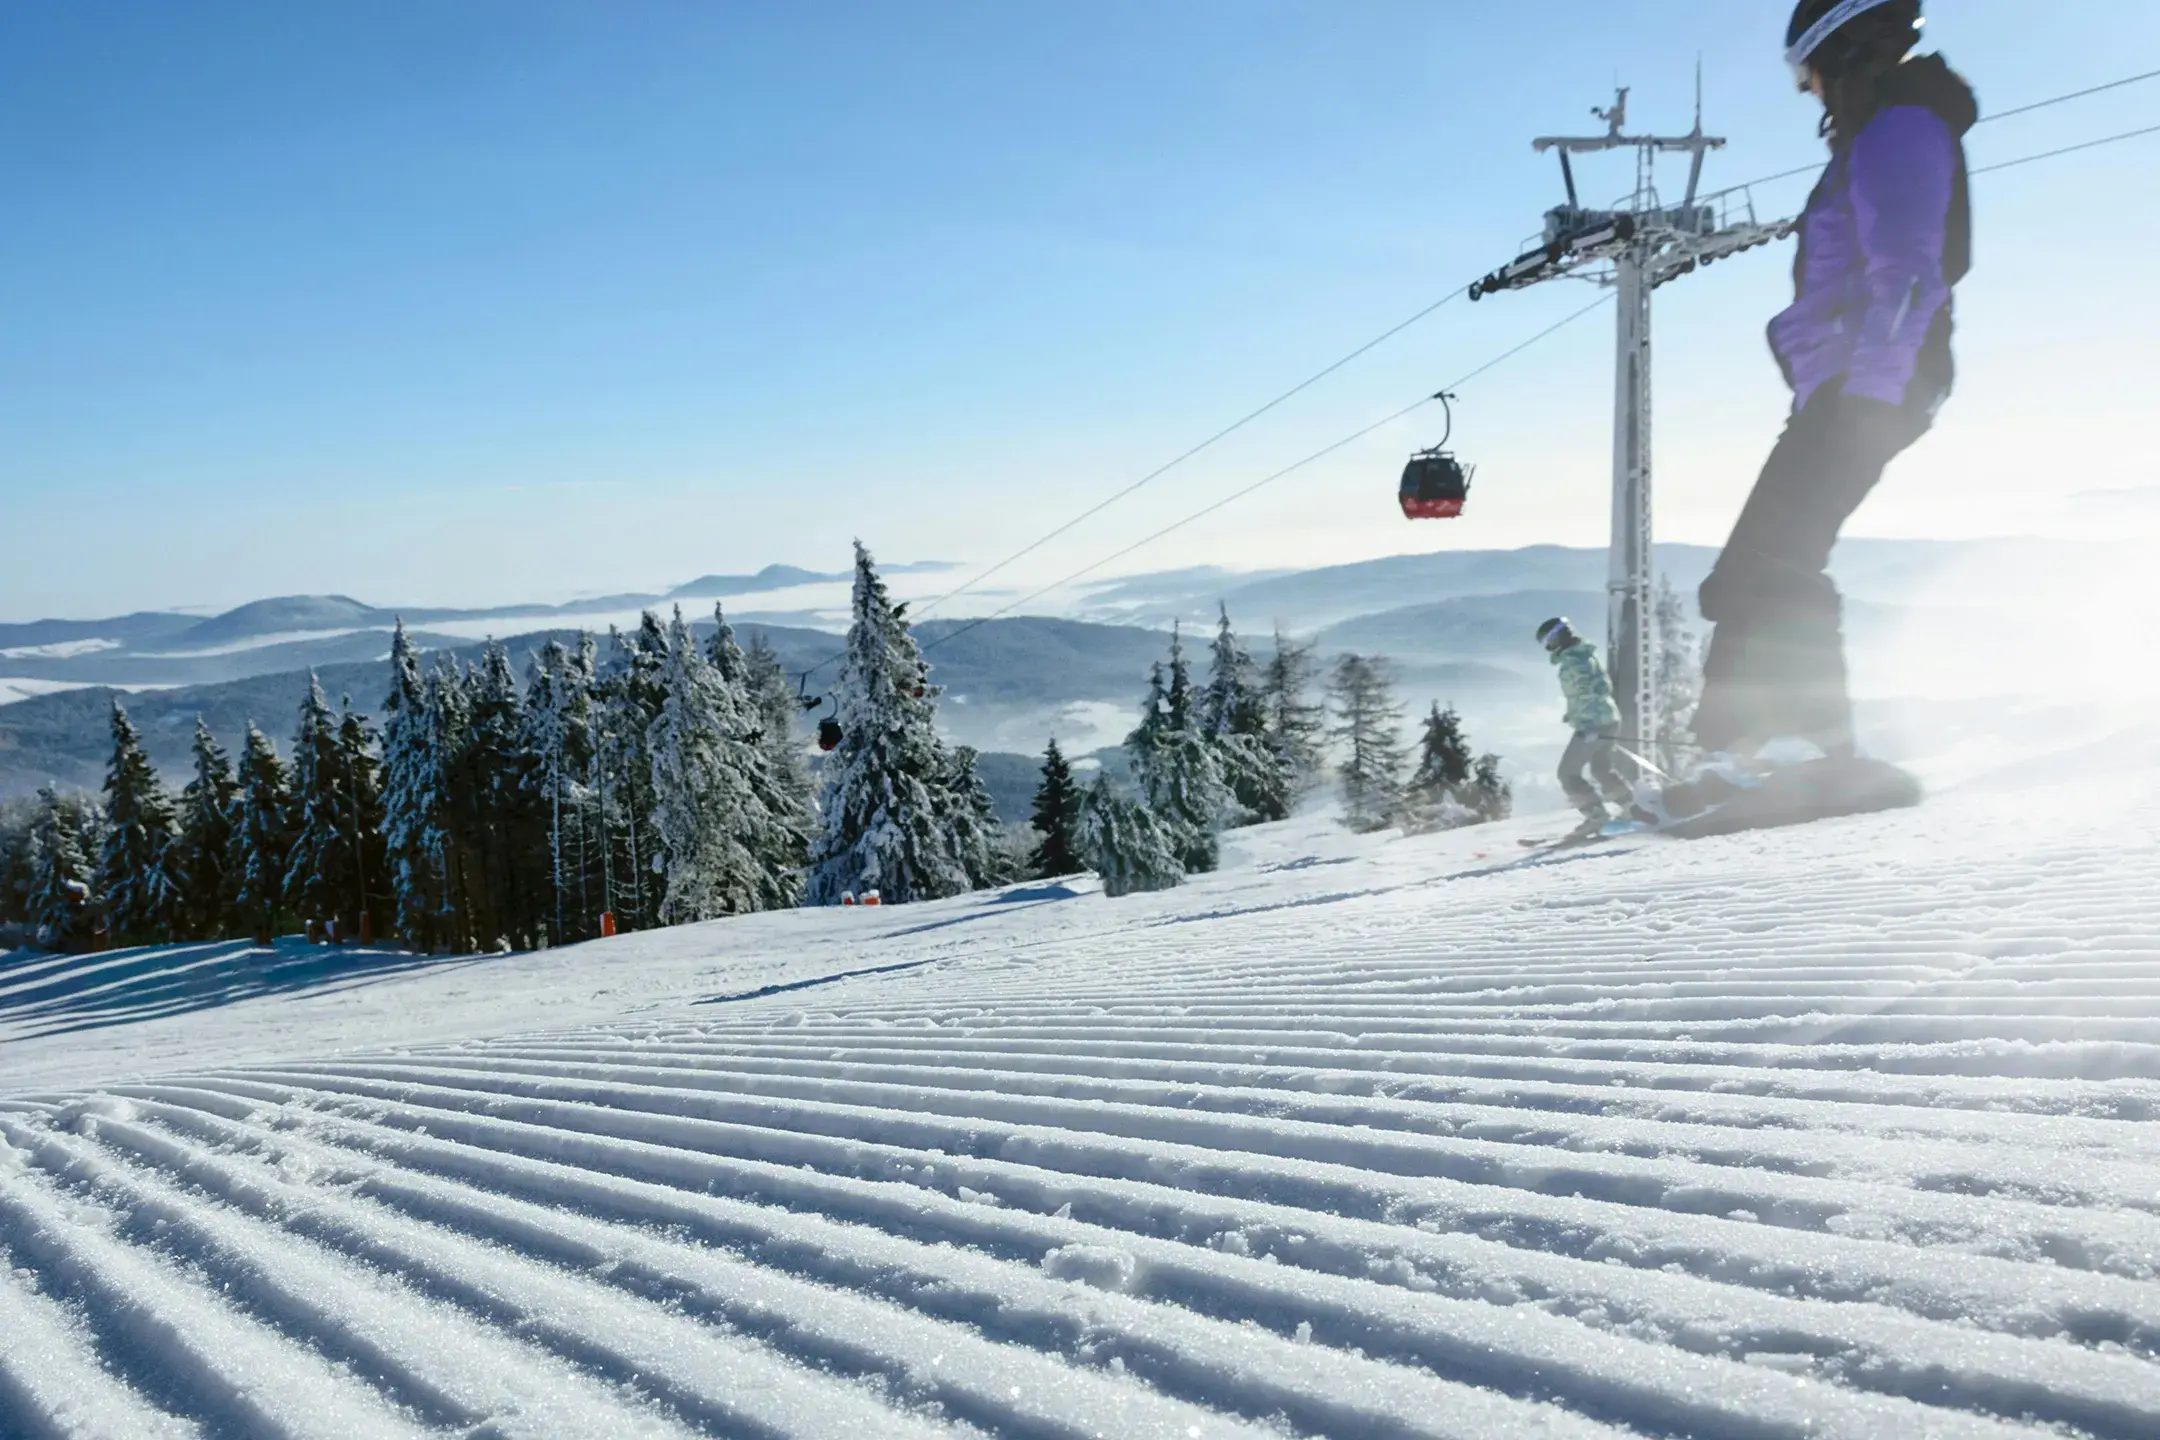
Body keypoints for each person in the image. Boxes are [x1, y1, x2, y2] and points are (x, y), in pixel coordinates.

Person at [1691, 0, 1975, 764]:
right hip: (1852, 386)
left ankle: (1809, 754)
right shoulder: (1879, 133)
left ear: (1846, 51)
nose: (1804, 89)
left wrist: (1868, 391)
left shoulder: (1901, 129)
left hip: (1872, 385)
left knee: (1773, 560)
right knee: (1758, 564)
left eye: (1806, 70)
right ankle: (1737, 750)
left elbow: (1913, 273)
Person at [1538, 618, 1632, 830]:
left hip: (1593, 725)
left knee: (1567, 773)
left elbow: (1589, 693)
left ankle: (1596, 816)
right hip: (1608, 719)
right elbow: (1598, 688)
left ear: (1559, 637)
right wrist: (1573, 714)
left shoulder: (1574, 662)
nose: (1549, 648)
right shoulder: (1584, 654)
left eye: (1549, 642)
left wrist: (1588, 723)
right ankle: (1629, 806)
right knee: (1601, 768)